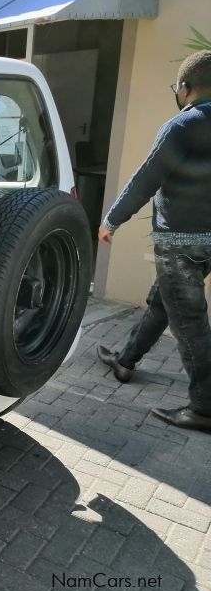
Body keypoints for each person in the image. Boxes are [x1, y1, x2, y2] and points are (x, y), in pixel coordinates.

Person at [97, 50, 211, 433]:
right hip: (206, 242)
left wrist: (112, 219)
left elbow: (147, 178)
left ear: (184, 87)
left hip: (180, 244)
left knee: (191, 325)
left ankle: (204, 408)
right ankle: (125, 361)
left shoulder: (183, 126)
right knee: (163, 303)